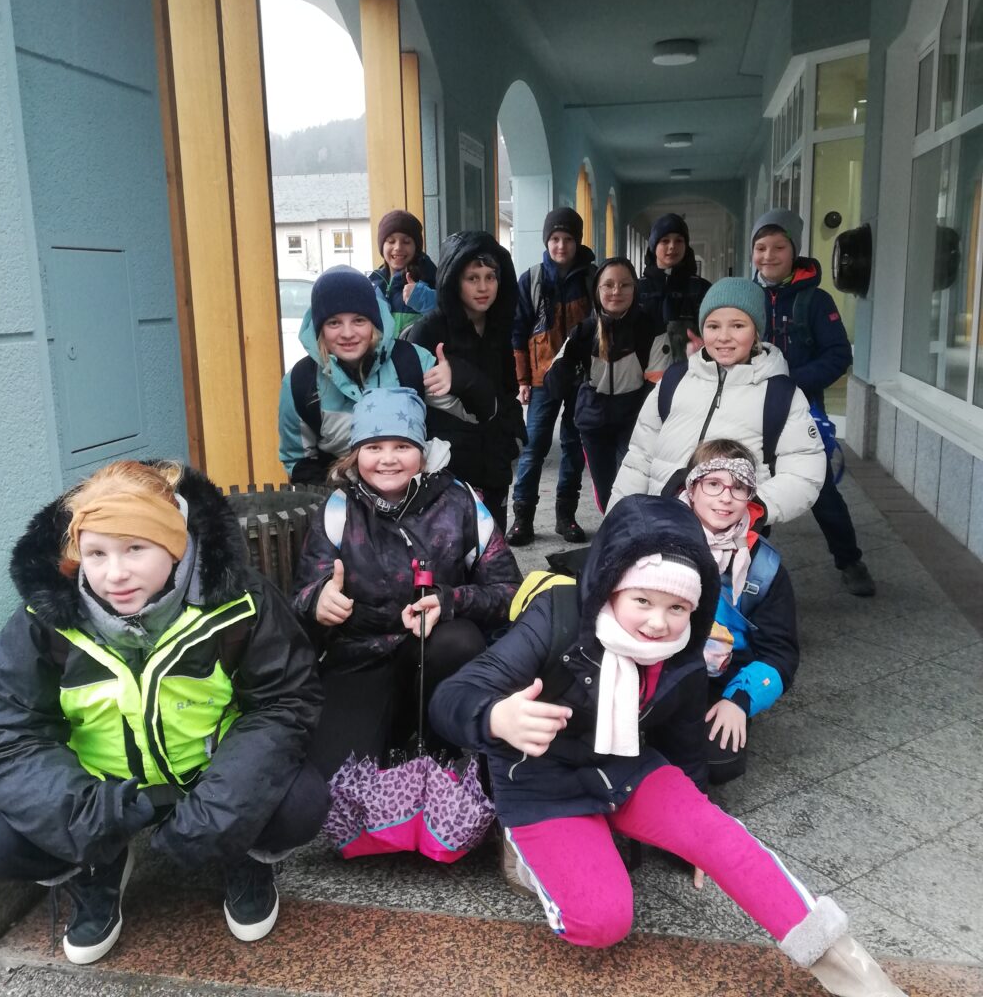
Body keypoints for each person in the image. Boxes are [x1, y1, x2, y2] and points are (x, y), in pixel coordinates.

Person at [428, 495, 907, 997]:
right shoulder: (557, 616)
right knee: (601, 923)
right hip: (539, 784)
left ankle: (856, 976)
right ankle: (529, 854)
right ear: (610, 588)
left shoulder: (684, 651)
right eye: (642, 601)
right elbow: (452, 697)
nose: (659, 623)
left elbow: (685, 746)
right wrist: (497, 716)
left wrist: (695, 837)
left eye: (677, 607)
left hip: (624, 768)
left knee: (723, 840)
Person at [0, 460, 327, 964]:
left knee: (301, 803)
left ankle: (241, 854)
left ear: (175, 545)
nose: (115, 573)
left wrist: (223, 808)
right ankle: (97, 865)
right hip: (101, 790)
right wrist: (86, 815)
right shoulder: (44, 622)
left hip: (207, 779)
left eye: (136, 548)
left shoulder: (240, 602)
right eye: (96, 553)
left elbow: (284, 702)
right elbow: (2, 732)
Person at [292, 387, 522, 778]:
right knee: (335, 776)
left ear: (422, 450)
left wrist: (449, 601)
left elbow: (511, 592)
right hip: (361, 655)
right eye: (373, 447)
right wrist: (318, 600)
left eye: (402, 445)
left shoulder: (461, 502)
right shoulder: (338, 509)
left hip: (434, 653)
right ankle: (389, 733)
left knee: (459, 641)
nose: (388, 459)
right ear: (355, 453)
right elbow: (300, 595)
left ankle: (439, 740)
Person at [608, 277, 826, 525]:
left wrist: (753, 510)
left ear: (756, 331)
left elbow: (803, 472)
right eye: (713, 326)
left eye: (737, 326)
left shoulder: (780, 395)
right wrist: (616, 521)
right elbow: (639, 460)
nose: (723, 337)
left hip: (732, 536)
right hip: (660, 525)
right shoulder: (674, 381)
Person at [751, 208, 876, 597]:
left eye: (779, 247)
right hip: (752, 414)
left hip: (801, 413)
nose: (769, 256)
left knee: (820, 488)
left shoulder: (816, 301)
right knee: (753, 485)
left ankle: (849, 560)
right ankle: (748, 564)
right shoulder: (745, 298)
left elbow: (838, 355)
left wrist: (790, 382)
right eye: (761, 247)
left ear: (795, 250)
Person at [278, 265, 478, 485]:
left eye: (359, 320)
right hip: (343, 494)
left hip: (414, 492)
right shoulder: (300, 383)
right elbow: (298, 460)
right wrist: (339, 496)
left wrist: (461, 378)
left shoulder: (411, 362)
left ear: (374, 323)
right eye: (334, 322)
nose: (347, 333)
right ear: (320, 329)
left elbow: (477, 414)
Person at [677, 439, 799, 785]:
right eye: (713, 484)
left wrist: (741, 699)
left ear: (750, 496)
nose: (726, 497)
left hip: (721, 677)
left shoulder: (765, 566)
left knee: (716, 761)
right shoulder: (657, 538)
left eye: (739, 487)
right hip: (652, 666)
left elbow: (780, 653)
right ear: (692, 488)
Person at [405, 231, 526, 531]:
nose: (483, 287)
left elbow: (507, 391)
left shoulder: (498, 329)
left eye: (490, 277)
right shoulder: (427, 332)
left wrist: (514, 438)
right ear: (453, 280)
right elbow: (412, 408)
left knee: (493, 546)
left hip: (494, 467)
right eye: (472, 278)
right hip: (447, 473)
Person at [545, 257, 663, 513]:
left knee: (633, 487)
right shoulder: (583, 331)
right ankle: (614, 530)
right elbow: (553, 384)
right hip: (594, 423)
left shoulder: (650, 328)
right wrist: (565, 368)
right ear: (597, 290)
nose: (616, 291)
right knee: (606, 491)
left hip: (634, 421)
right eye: (608, 285)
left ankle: (632, 531)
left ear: (635, 289)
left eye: (625, 285)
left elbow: (658, 387)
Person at [508, 207, 596, 546]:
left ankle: (566, 517)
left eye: (568, 239)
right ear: (547, 241)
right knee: (533, 448)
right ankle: (522, 519)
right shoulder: (531, 279)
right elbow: (518, 331)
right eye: (555, 238)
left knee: (574, 445)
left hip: (581, 375)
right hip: (542, 377)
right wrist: (522, 380)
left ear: (578, 241)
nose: (561, 245)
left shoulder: (592, 277)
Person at [637, 213, 711, 373]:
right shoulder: (638, 288)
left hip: (691, 372)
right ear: (653, 246)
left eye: (679, 241)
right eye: (665, 241)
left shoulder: (702, 288)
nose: (672, 246)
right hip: (646, 374)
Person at [368, 209, 437, 335]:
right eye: (391, 241)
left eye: (406, 242)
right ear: (382, 246)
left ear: (416, 247)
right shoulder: (373, 284)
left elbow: (453, 314)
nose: (398, 247)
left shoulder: (429, 277)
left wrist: (426, 300)